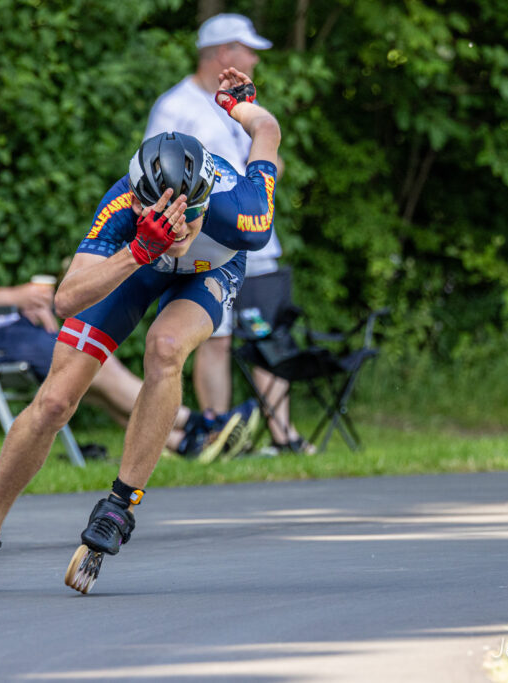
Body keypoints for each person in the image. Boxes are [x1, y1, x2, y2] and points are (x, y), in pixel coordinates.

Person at [0, 67, 280, 595]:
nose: (174, 226)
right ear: (137, 200)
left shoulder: (246, 214)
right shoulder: (121, 206)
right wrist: (139, 249)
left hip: (210, 271)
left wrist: (239, 106)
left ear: (204, 202)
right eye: (158, 214)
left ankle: (121, 504)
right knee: (54, 401)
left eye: (185, 217)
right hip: (138, 259)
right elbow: (67, 298)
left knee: (165, 348)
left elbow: (267, 131)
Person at [0, 162, 250, 461]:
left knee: (89, 379)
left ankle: (179, 444)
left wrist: (21, 305)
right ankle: (196, 423)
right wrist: (18, 297)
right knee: (90, 362)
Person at [144, 13, 314, 454]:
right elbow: (155, 171)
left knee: (268, 335)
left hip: (257, 238)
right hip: (205, 242)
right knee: (215, 339)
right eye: (248, 50)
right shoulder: (175, 105)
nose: (255, 59)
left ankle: (283, 435)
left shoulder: (237, 104)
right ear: (224, 53)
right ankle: (219, 432)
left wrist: (262, 171)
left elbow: (268, 162)